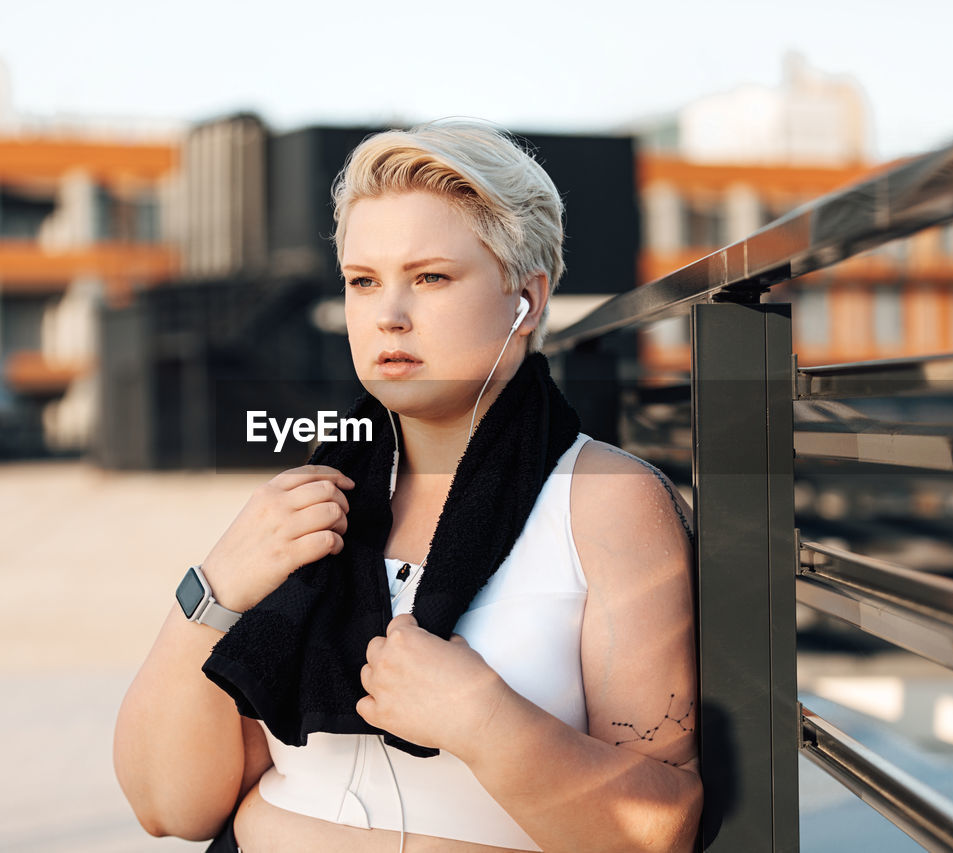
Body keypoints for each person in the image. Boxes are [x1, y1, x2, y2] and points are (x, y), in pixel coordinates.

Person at [114, 120, 702, 853]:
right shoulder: (313, 495)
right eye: (363, 282)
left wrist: (486, 720)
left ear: (526, 299)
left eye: (430, 277)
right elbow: (171, 807)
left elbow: (662, 829)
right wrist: (214, 590)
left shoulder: (605, 498)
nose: (388, 315)